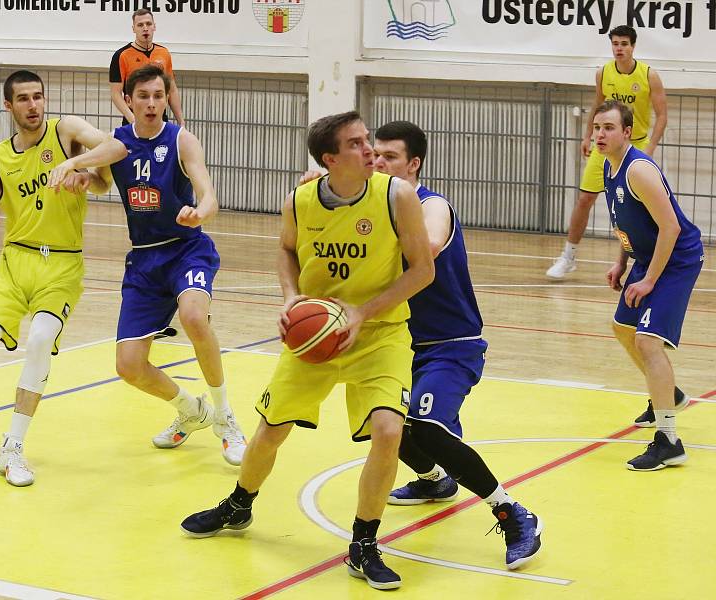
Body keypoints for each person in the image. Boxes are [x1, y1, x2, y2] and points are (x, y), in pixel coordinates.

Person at [180, 111, 435, 591]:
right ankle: (239, 505)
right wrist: (291, 298)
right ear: (330, 159)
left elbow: (423, 271)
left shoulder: (397, 196)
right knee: (271, 430)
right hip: (315, 335)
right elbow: (285, 250)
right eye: (358, 144)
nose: (370, 152)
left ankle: (363, 541)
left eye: (370, 143)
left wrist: (363, 312)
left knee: (387, 431)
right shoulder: (299, 202)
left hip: (379, 334)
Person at [301, 121, 543, 570]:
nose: (377, 161)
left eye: (390, 157)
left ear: (413, 164)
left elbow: (422, 252)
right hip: (399, 342)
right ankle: (434, 480)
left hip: (450, 343)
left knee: (427, 425)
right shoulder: (371, 204)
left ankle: (514, 514)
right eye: (374, 153)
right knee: (384, 425)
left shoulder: (432, 207)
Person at [49, 65, 247, 466]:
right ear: (129, 100)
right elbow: (107, 173)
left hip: (186, 247)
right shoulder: (117, 142)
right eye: (144, 96)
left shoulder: (181, 140)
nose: (153, 103)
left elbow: (208, 193)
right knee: (129, 366)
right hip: (144, 258)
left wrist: (200, 211)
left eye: (159, 95)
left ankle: (225, 416)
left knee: (194, 317)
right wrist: (83, 175)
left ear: (166, 98)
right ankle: (191, 409)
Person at [0, 70, 111, 487]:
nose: (34, 105)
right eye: (24, 99)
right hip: (15, 262)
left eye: (38, 97)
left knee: (39, 341)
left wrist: (84, 170)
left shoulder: (64, 131)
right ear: (8, 106)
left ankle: (13, 444)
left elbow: (109, 148)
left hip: (62, 264)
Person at [595, 100, 704, 470]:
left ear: (626, 132)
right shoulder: (607, 169)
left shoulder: (638, 169)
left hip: (677, 259)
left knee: (647, 341)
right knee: (622, 327)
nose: (600, 134)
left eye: (608, 128)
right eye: (597, 127)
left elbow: (671, 227)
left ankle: (670, 440)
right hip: (647, 257)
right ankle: (668, 394)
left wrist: (650, 280)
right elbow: (626, 221)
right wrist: (621, 261)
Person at [547, 25, 667, 280]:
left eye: (624, 44)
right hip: (605, 144)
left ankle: (646, 257)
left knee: (638, 206)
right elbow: (597, 105)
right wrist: (588, 134)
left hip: (633, 146)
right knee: (584, 199)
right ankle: (568, 256)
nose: (619, 48)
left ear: (633, 46)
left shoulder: (649, 75)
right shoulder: (604, 72)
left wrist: (650, 148)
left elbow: (663, 115)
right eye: (615, 44)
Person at [109, 9, 184, 126]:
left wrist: (181, 121)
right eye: (140, 25)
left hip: (159, 119)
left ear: (154, 26)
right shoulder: (121, 56)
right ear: (133, 28)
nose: (145, 28)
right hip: (133, 119)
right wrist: (132, 119)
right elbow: (115, 94)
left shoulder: (164, 53)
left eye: (148, 24)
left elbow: (172, 89)